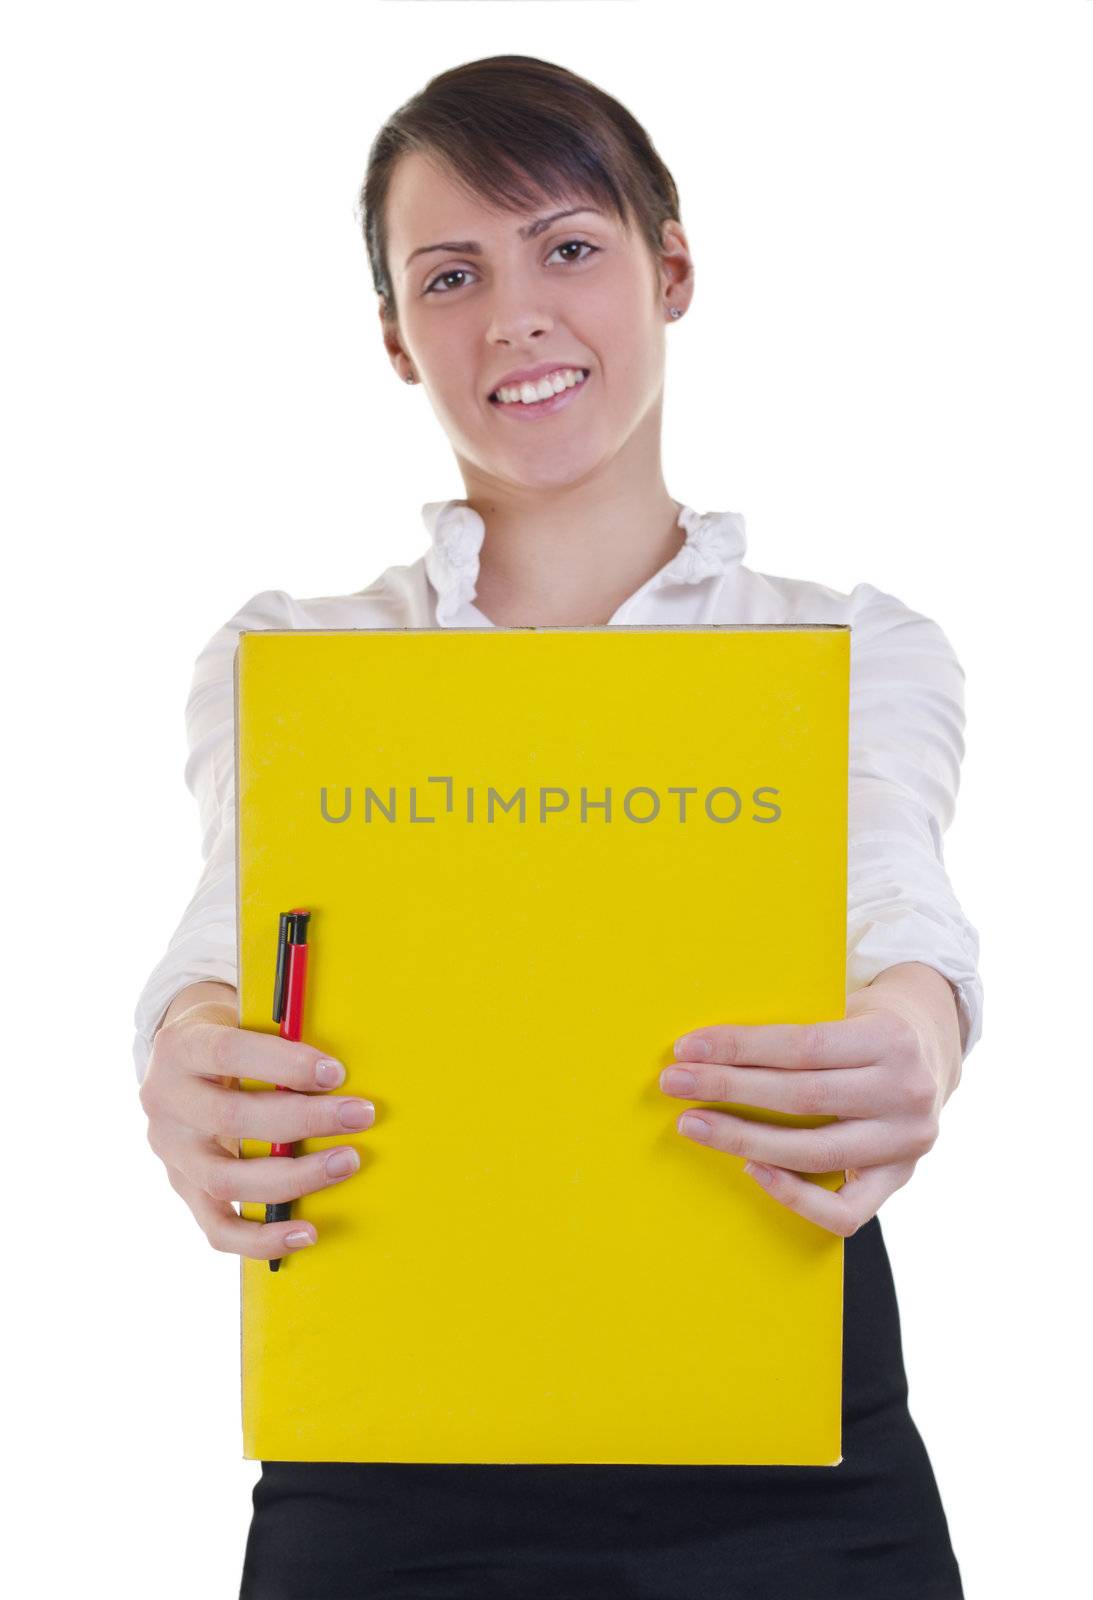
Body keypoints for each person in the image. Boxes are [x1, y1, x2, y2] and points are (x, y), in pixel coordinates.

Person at [134, 54, 982, 1600]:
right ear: (397, 337)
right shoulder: (300, 659)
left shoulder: (852, 648)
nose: (513, 313)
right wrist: (189, 1045)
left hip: (784, 1425)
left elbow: (897, 910)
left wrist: (911, 1040)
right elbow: (233, 923)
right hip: (388, 1430)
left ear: (668, 270)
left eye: (569, 247)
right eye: (449, 273)